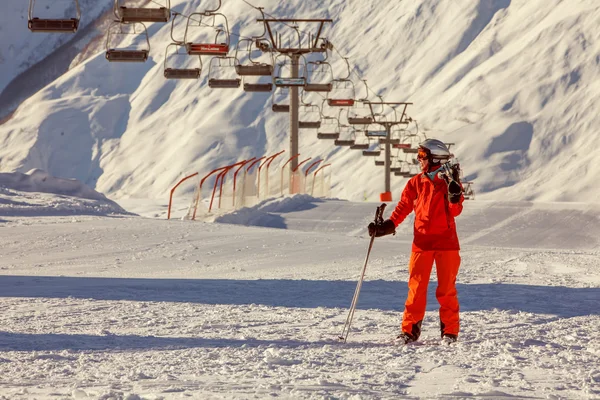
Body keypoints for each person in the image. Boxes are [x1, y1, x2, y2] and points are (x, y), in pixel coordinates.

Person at [368, 139, 464, 344]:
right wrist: (388, 225)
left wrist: (454, 196)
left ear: (435, 158)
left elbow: (455, 211)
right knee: (416, 288)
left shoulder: (449, 181)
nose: (419, 160)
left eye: (422, 156)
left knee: (446, 289)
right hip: (422, 243)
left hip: (446, 244)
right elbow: (403, 206)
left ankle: (450, 332)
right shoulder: (415, 182)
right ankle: (409, 330)